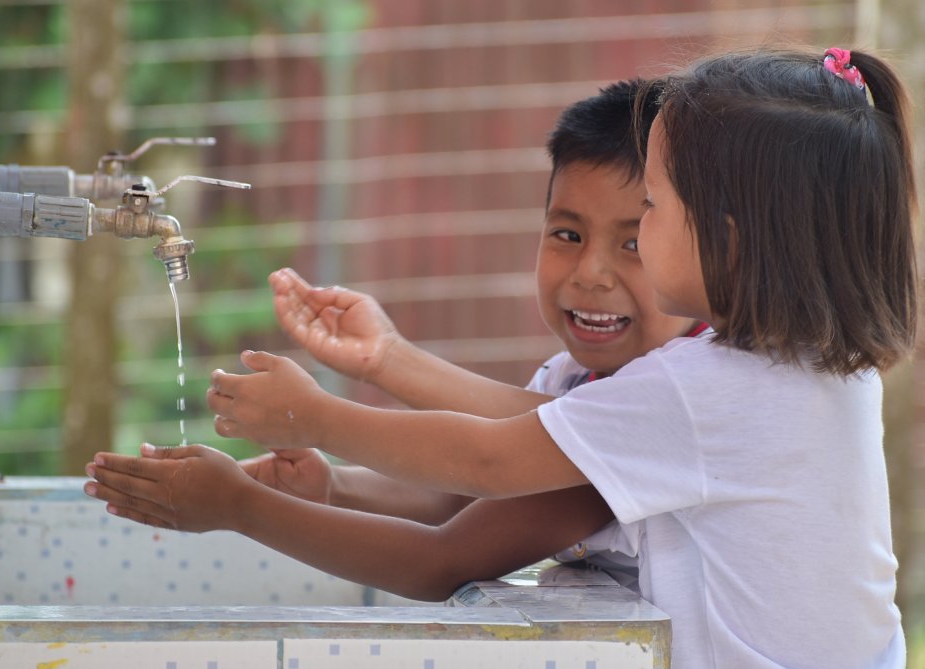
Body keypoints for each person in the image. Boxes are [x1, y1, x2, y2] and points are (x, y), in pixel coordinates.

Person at [87, 47, 916, 668]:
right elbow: (543, 434)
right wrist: (381, 374)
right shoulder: (802, 372)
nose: (602, 265)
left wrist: (307, 426)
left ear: (730, 240)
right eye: (568, 232)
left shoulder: (710, 391)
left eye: (650, 214)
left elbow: (491, 463)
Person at [84, 80, 708, 599]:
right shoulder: (575, 381)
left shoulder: (689, 398)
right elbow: (459, 495)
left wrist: (253, 493)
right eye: (566, 234)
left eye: (633, 243)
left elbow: (446, 549)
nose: (590, 273)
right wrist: (333, 485)